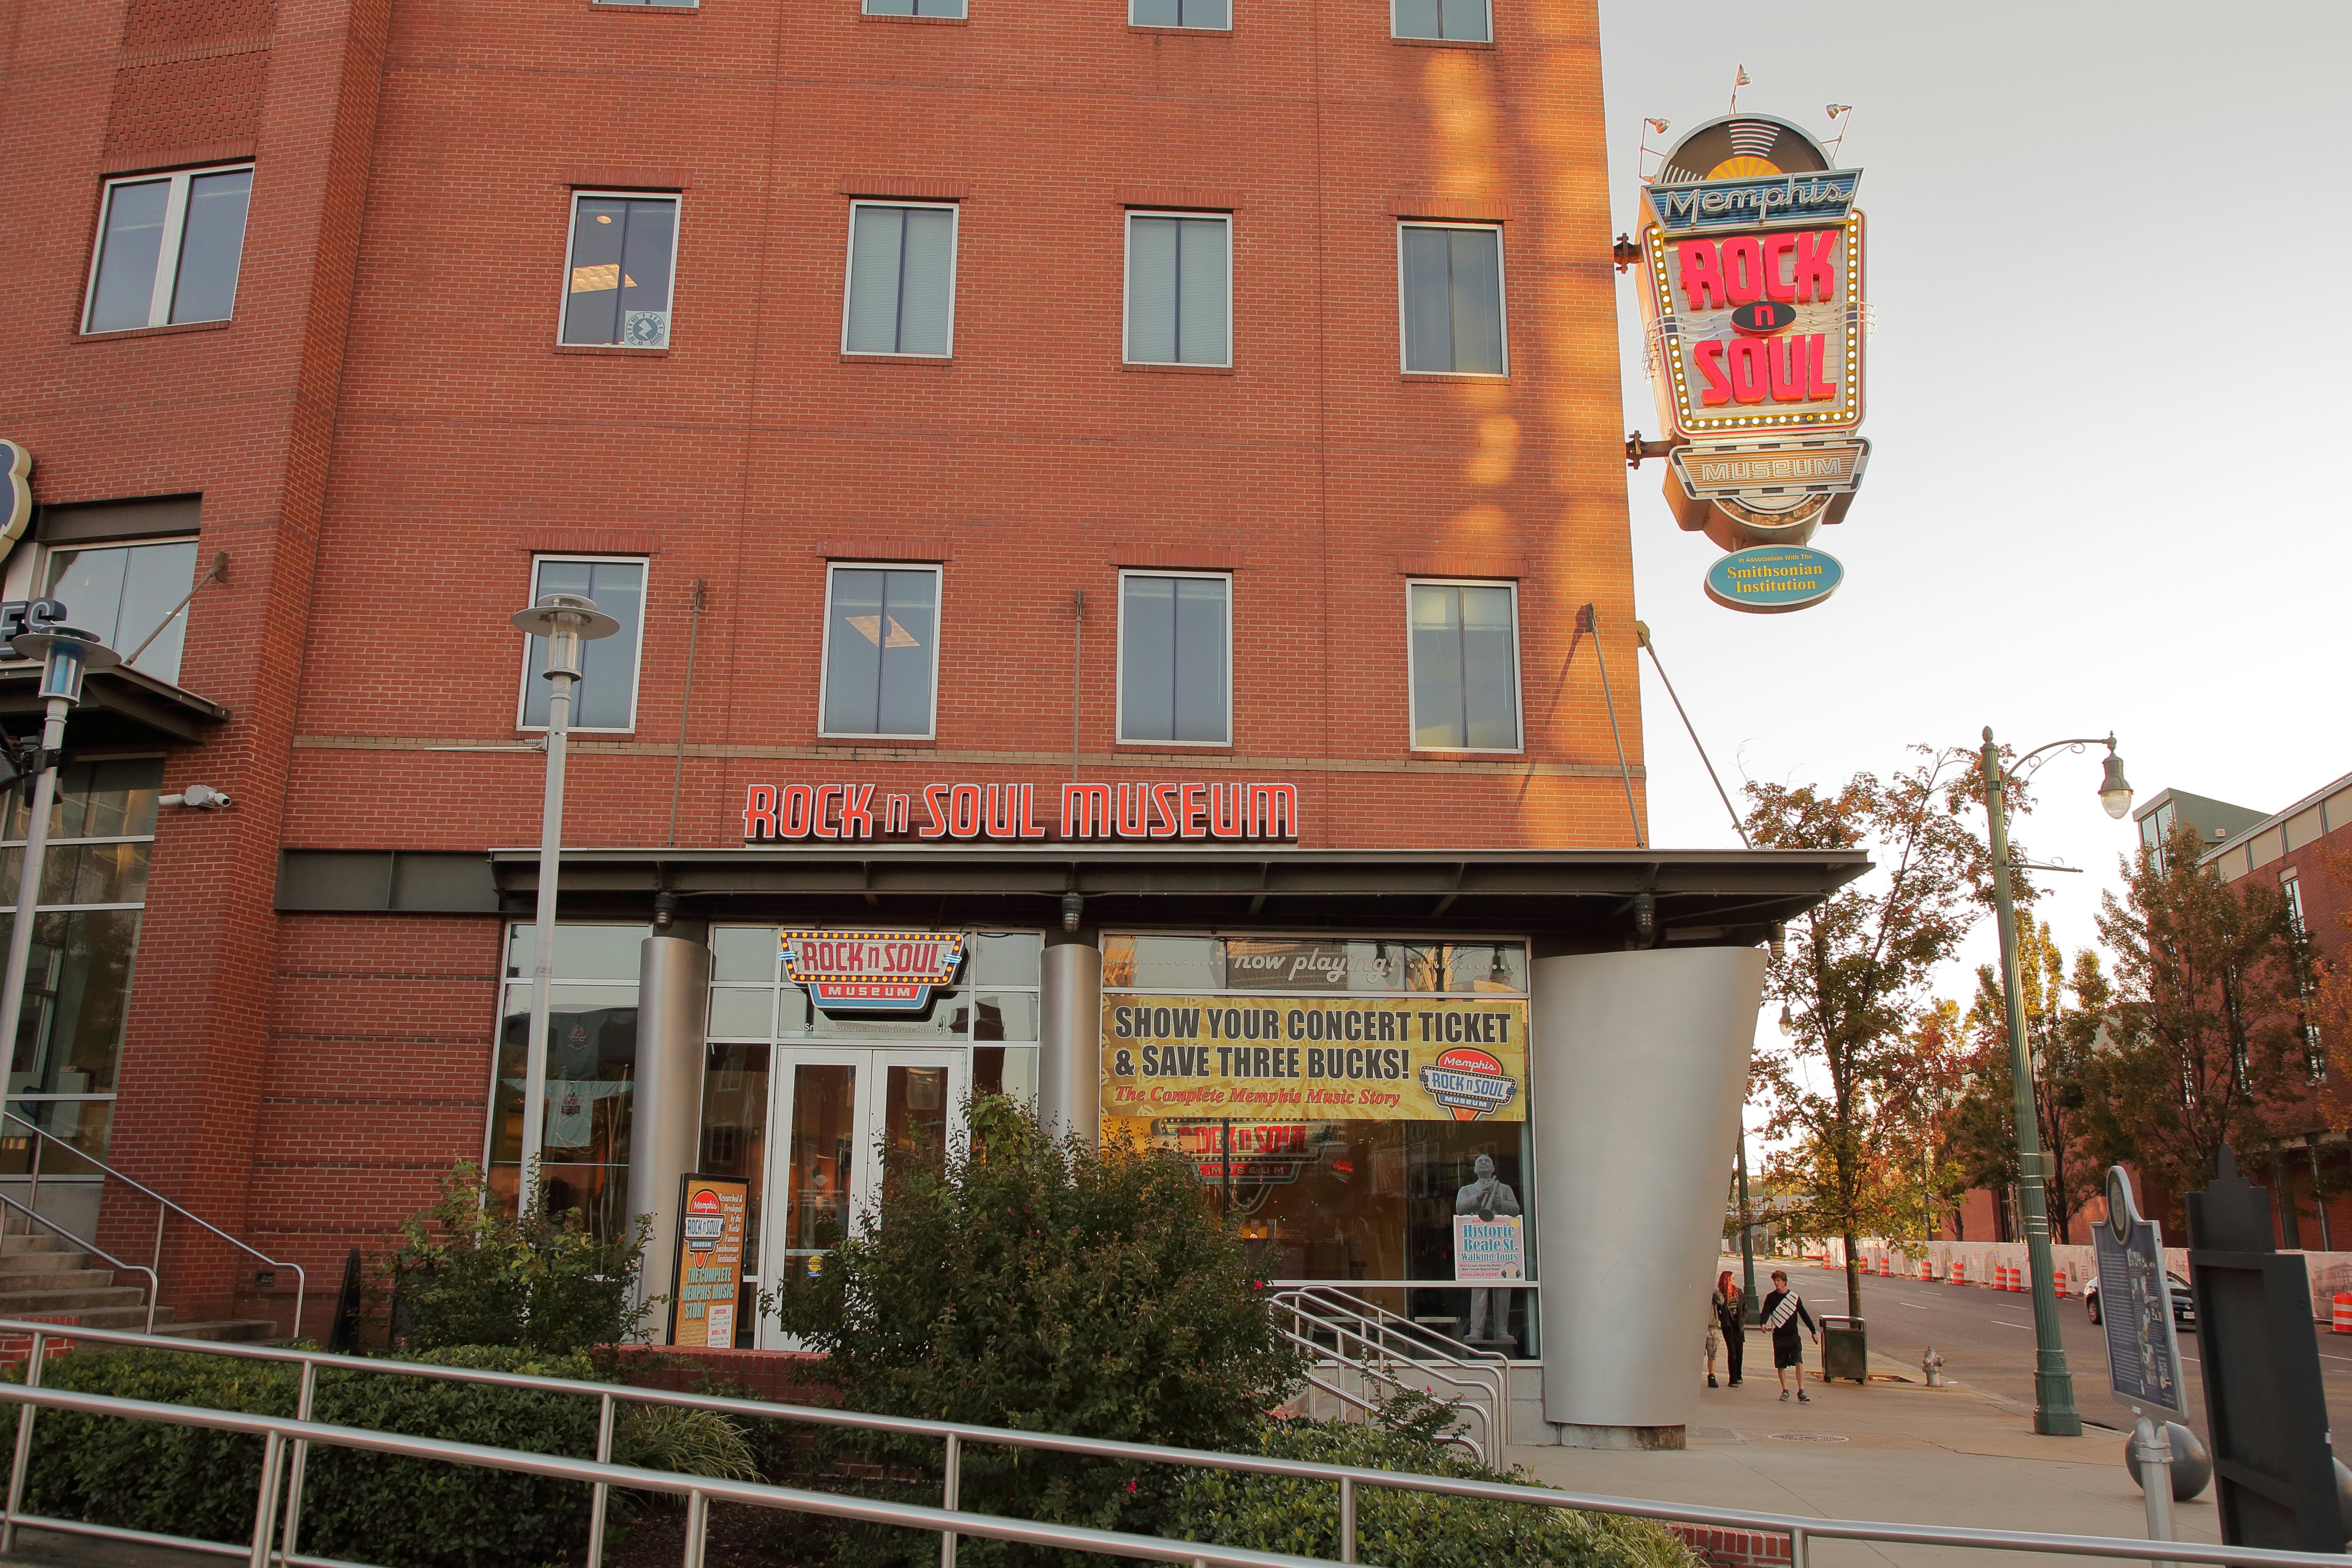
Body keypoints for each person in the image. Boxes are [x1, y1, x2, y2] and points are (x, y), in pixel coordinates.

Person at [1454, 1154, 1522, 1344]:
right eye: (1479, 1162)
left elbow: (1515, 1209)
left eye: (1488, 1162)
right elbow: (1460, 1208)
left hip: (1499, 1244)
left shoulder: (1504, 1189)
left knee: (1503, 1288)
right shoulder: (1467, 1190)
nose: (1483, 1163)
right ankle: (1477, 1331)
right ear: (1475, 1170)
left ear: (1493, 1170)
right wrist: (1479, 1197)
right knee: (1480, 1288)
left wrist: (1501, 1203)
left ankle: (1502, 1331)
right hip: (1480, 1244)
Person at [1759, 1269, 1816, 1402]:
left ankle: (1801, 1391)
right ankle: (1785, 1390)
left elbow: (1804, 1315)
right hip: (1779, 1336)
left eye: (1778, 1281)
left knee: (1799, 1361)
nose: (1776, 1283)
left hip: (1793, 1336)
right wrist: (1763, 1323)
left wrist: (1813, 1331)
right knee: (1781, 1365)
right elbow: (1766, 1311)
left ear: (1784, 1282)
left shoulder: (1794, 1298)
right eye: (1775, 1281)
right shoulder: (1771, 1297)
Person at [1711, 1268, 1745, 1387]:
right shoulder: (1721, 1295)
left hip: (1738, 1326)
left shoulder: (1739, 1293)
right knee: (1732, 1351)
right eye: (1733, 1278)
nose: (1735, 1280)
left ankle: (1739, 1374)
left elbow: (1746, 1309)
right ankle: (1733, 1379)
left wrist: (1743, 1320)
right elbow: (1718, 1310)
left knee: (1739, 1351)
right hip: (1728, 1327)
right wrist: (1723, 1320)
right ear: (1727, 1280)